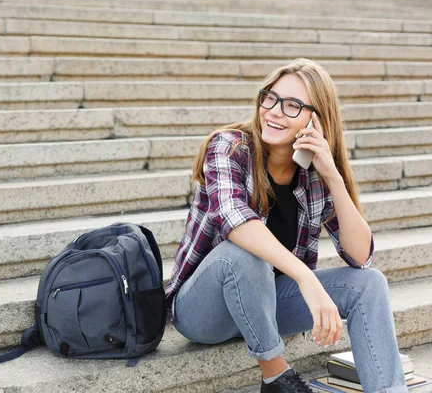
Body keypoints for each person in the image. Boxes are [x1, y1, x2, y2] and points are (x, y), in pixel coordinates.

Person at [164, 58, 408, 393]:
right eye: (270, 98)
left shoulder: (313, 174)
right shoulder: (229, 146)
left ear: (317, 120)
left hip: (270, 305)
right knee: (244, 252)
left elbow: (361, 255)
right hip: (204, 311)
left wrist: (332, 175)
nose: (275, 111)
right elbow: (234, 219)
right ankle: (277, 378)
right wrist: (306, 278)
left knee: (370, 283)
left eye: (293, 105)